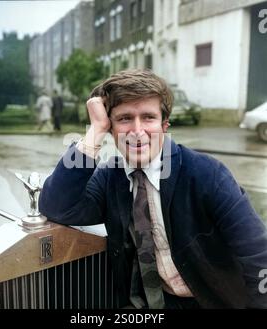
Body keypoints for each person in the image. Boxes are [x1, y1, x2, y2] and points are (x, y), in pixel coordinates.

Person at [38, 69, 267, 309]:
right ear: (110, 128)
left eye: (148, 117)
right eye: (124, 118)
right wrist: (94, 131)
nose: (137, 131)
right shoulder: (110, 177)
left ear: (165, 124)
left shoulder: (206, 174)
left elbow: (258, 256)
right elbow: (56, 206)